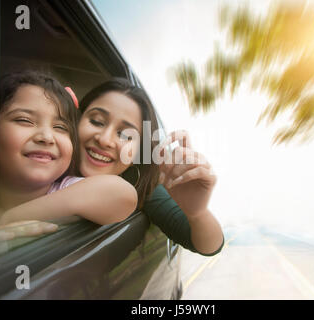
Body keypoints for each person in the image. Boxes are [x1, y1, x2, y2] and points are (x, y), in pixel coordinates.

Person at [77, 78, 224, 255]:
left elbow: (209, 246)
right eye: (97, 121)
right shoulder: (43, 162)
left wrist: (197, 214)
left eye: (125, 135)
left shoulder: (138, 184)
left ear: (139, 151)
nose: (105, 140)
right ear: (75, 120)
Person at [0, 71, 138, 237]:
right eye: (24, 120)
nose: (47, 137)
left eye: (61, 128)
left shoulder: (64, 188)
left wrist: (8, 220)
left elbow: (121, 194)